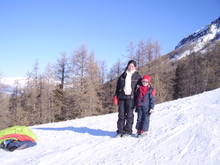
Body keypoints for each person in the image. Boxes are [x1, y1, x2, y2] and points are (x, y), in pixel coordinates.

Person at [113, 60, 142, 138]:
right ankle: (120, 131)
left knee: (129, 115)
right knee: (121, 115)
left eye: (132, 66)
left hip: (131, 98)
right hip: (122, 97)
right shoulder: (123, 75)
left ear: (135, 67)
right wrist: (115, 96)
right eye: (130, 66)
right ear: (127, 66)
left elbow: (141, 88)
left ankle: (128, 131)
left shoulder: (138, 76)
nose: (131, 67)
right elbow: (118, 87)